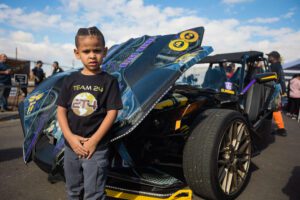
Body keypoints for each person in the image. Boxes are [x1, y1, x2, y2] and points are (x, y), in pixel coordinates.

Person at [56, 26, 123, 200]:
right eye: (86, 51)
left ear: (105, 51)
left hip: (97, 148)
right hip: (71, 147)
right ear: (77, 53)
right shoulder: (69, 80)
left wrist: (93, 141)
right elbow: (61, 110)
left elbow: (112, 113)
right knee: (73, 190)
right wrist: (70, 137)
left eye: (97, 50)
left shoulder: (109, 81)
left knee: (94, 194)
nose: (92, 55)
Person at [267, 51, 287, 136]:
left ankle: (281, 129)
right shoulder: (278, 65)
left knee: (275, 109)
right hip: (277, 87)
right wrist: (283, 90)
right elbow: (282, 78)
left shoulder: (273, 66)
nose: (268, 58)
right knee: (274, 108)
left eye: (269, 56)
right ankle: (280, 128)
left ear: (273, 57)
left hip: (274, 87)